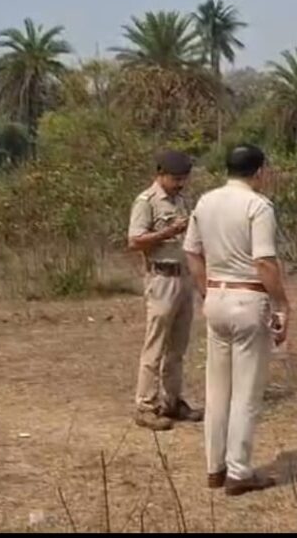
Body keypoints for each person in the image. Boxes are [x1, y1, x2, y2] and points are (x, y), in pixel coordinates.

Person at [183, 144, 289, 496]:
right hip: (248, 297)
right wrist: (281, 303)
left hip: (217, 296)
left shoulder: (205, 201)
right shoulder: (257, 206)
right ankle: (240, 471)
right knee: (245, 392)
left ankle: (215, 467)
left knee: (217, 390)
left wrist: (206, 290)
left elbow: (191, 250)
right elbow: (264, 261)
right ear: (259, 171)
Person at [127, 149, 204, 432]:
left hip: (183, 277)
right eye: (175, 178)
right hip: (161, 279)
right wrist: (168, 233)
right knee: (155, 346)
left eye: (183, 178)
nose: (180, 183)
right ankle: (145, 405)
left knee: (178, 347)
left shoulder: (182, 200)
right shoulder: (146, 202)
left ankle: (172, 401)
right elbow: (135, 241)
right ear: (160, 175)